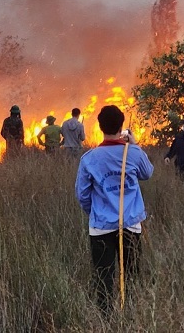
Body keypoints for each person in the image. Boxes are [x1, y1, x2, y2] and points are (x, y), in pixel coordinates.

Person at [75, 105, 154, 315]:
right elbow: (148, 173)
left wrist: (97, 213)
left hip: (101, 228)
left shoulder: (89, 158)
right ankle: (132, 315)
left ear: (100, 127)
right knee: (131, 275)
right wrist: (135, 145)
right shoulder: (134, 153)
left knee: (103, 277)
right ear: (121, 127)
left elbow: (82, 195)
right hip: (130, 225)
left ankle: (105, 318)